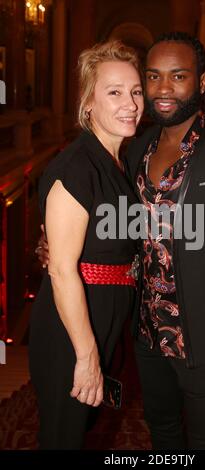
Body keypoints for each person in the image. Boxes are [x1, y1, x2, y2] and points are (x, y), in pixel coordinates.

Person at [37, 32, 205, 450]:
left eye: (178, 76)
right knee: (163, 432)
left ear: (202, 83)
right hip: (146, 336)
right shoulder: (136, 151)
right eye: (152, 78)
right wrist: (58, 254)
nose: (162, 89)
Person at [30, 40, 144, 449]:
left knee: (82, 432)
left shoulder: (119, 163)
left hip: (106, 319)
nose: (129, 102)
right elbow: (61, 270)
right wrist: (86, 355)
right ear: (88, 103)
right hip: (72, 331)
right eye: (114, 92)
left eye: (135, 91)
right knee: (63, 438)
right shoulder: (76, 166)